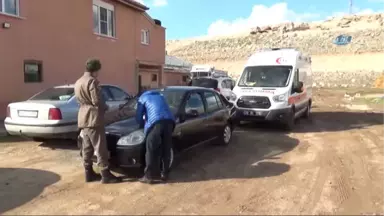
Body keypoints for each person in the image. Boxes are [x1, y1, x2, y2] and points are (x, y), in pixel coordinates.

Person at [74, 58, 122, 184]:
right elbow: (96, 100)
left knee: (87, 147)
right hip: (94, 118)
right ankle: (105, 174)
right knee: (100, 147)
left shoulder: (78, 81)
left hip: (83, 117)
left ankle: (88, 173)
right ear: (95, 70)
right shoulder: (92, 81)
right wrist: (106, 107)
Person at [136, 90, 175, 184]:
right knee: (166, 148)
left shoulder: (142, 98)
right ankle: (165, 174)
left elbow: (139, 117)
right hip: (170, 122)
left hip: (156, 123)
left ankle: (149, 176)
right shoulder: (160, 96)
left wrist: (141, 125)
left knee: (150, 149)